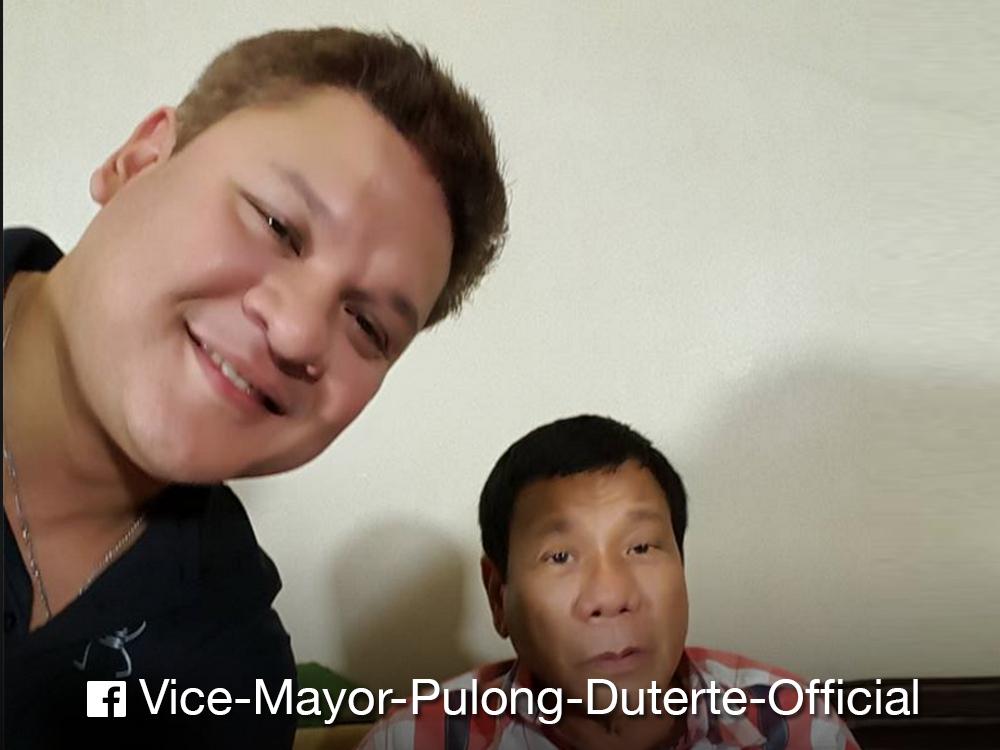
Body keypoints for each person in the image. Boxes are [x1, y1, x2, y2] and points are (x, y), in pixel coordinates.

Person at [2, 27, 507, 749]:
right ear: (138, 162)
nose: (298, 333)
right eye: (277, 225)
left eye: (367, 325)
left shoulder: (231, 668)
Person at [360, 415, 860, 749]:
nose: (611, 596)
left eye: (641, 548)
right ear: (498, 596)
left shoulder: (795, 728)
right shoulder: (411, 741)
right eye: (560, 556)